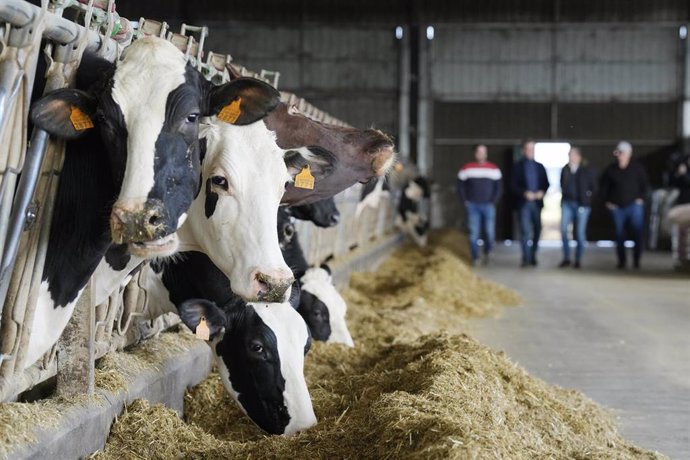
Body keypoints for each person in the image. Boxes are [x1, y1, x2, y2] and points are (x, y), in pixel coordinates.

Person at [600, 141, 649, 269]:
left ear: (628, 154)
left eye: (621, 153)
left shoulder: (637, 169)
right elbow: (603, 188)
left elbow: (645, 186)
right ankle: (622, 261)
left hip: (634, 206)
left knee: (637, 234)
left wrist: (641, 199)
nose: (619, 155)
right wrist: (607, 202)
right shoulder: (611, 170)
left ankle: (636, 260)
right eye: (618, 153)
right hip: (617, 208)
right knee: (619, 234)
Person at [457, 144, 502, 265]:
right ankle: (475, 257)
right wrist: (465, 200)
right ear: (475, 153)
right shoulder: (466, 168)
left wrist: (493, 201)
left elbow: (498, 188)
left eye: (483, 152)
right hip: (473, 205)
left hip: (488, 205)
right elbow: (460, 186)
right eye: (479, 152)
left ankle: (487, 252)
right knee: (473, 233)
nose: (481, 154)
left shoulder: (494, 169)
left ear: (486, 154)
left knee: (489, 232)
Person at [511, 139, 549, 267]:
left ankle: (533, 255)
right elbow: (512, 185)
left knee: (537, 230)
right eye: (528, 149)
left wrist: (541, 192)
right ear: (523, 150)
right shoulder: (517, 166)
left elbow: (546, 183)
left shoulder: (540, 166)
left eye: (532, 149)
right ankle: (525, 258)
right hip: (524, 203)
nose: (530, 151)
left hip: (537, 204)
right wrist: (524, 193)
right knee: (525, 231)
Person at [559, 146, 597, 269]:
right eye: (569, 155)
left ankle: (578, 260)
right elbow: (562, 185)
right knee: (564, 230)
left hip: (582, 205)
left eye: (573, 155)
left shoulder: (587, 170)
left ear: (579, 157)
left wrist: (587, 199)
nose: (570, 157)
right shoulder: (565, 170)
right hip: (567, 204)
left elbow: (594, 187)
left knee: (579, 233)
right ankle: (566, 258)